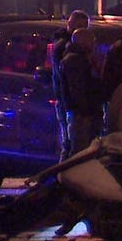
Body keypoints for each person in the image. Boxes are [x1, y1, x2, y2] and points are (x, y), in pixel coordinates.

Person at [51, 10, 90, 161]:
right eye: (79, 26)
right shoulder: (64, 48)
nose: (82, 30)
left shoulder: (72, 47)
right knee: (70, 144)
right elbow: (70, 78)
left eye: (85, 27)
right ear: (70, 24)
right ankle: (62, 178)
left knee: (71, 144)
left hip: (69, 102)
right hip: (69, 103)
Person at [60, 28, 105, 156]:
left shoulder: (81, 59)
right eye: (92, 41)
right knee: (81, 151)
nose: (94, 44)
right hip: (82, 115)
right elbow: (78, 89)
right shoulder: (75, 61)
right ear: (83, 41)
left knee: (83, 150)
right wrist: (86, 110)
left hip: (83, 113)